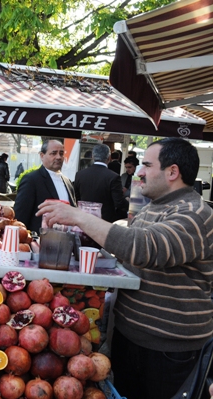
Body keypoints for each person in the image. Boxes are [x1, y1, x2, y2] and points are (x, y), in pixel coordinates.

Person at [37, 137, 213, 399]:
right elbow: (126, 258)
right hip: (130, 338)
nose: (139, 172)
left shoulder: (195, 213)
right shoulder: (152, 209)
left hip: (169, 349)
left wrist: (78, 216)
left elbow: (143, 248)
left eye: (147, 165)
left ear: (172, 172)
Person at [13, 139, 76, 233]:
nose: (58, 157)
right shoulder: (32, 180)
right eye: (53, 153)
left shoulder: (68, 182)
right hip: (40, 241)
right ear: (42, 156)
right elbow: (20, 217)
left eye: (61, 153)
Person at [73, 144, 127, 223]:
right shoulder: (113, 177)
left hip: (84, 218)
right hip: (104, 221)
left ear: (92, 157)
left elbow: (76, 197)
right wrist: (131, 205)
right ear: (109, 157)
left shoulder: (80, 174)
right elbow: (119, 202)